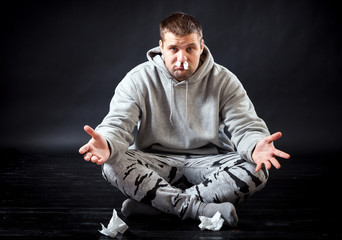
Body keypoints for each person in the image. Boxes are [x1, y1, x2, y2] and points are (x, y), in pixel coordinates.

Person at [79, 12, 290, 227]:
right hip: (155, 161)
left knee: (257, 170)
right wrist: (107, 143)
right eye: (173, 49)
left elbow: (244, 126)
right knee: (111, 165)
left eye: (190, 48)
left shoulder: (224, 80)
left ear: (201, 46)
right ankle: (197, 209)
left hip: (209, 162)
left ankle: (158, 205)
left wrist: (254, 145)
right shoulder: (138, 79)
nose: (182, 59)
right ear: (161, 47)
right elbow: (118, 123)